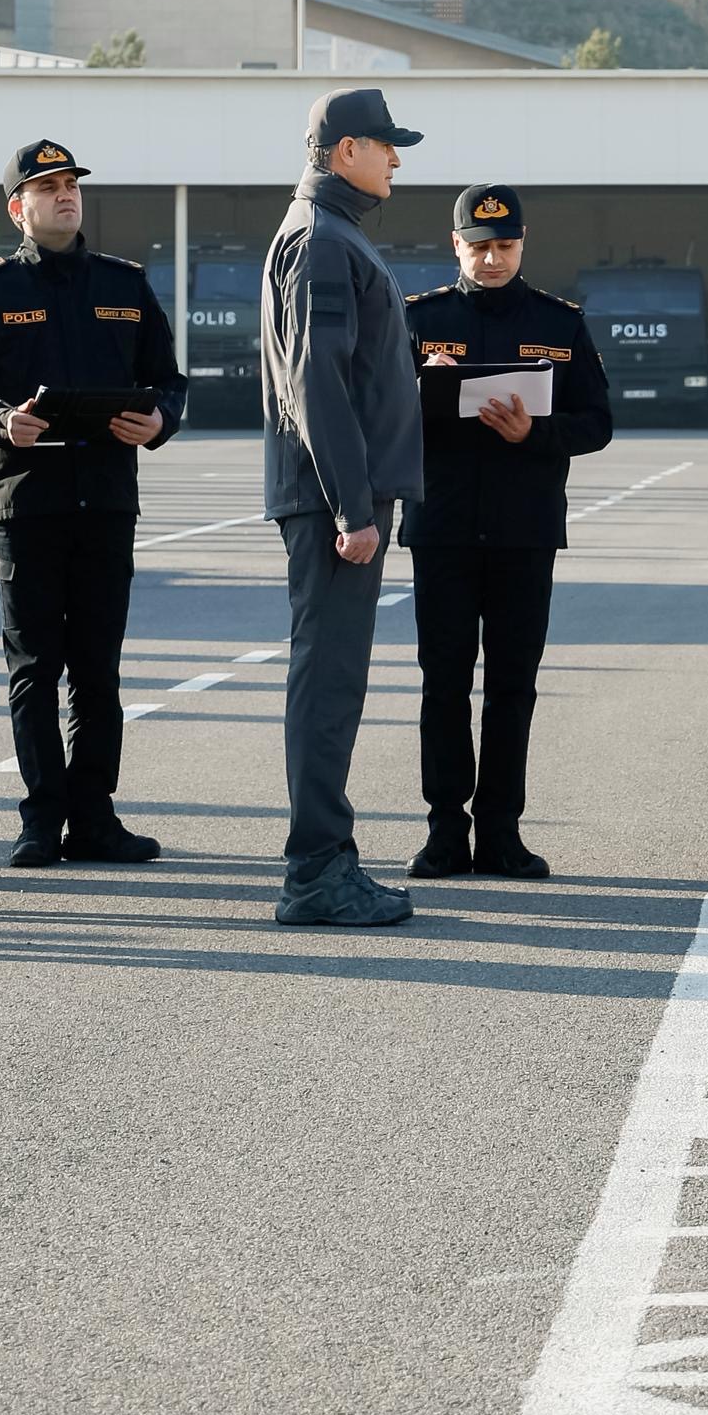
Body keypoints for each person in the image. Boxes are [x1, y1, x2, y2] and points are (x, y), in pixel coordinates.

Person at [0, 138, 186, 868]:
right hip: (28, 501)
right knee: (36, 667)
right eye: (47, 188)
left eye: (72, 185)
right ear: (19, 208)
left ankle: (95, 816)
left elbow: (168, 380)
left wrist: (161, 419)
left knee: (99, 667)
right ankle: (41, 819)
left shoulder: (125, 284)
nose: (65, 196)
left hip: (105, 500)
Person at [395, 183, 617, 876]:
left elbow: (598, 423)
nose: (493, 259)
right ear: (456, 245)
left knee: (513, 686)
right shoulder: (417, 319)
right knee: (444, 684)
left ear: (522, 246)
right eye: (480, 247)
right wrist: (419, 387)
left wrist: (536, 432)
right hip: (444, 530)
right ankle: (443, 830)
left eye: (506, 247)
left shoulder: (559, 322)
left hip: (525, 531)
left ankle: (500, 831)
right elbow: (378, 415)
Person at [261, 86, 428, 928]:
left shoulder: (332, 235)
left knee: (334, 684)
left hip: (339, 499)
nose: (396, 158)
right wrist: (352, 508)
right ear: (343, 153)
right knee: (327, 687)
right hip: (335, 507)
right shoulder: (322, 242)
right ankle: (317, 873)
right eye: (384, 145)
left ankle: (325, 863)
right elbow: (314, 382)